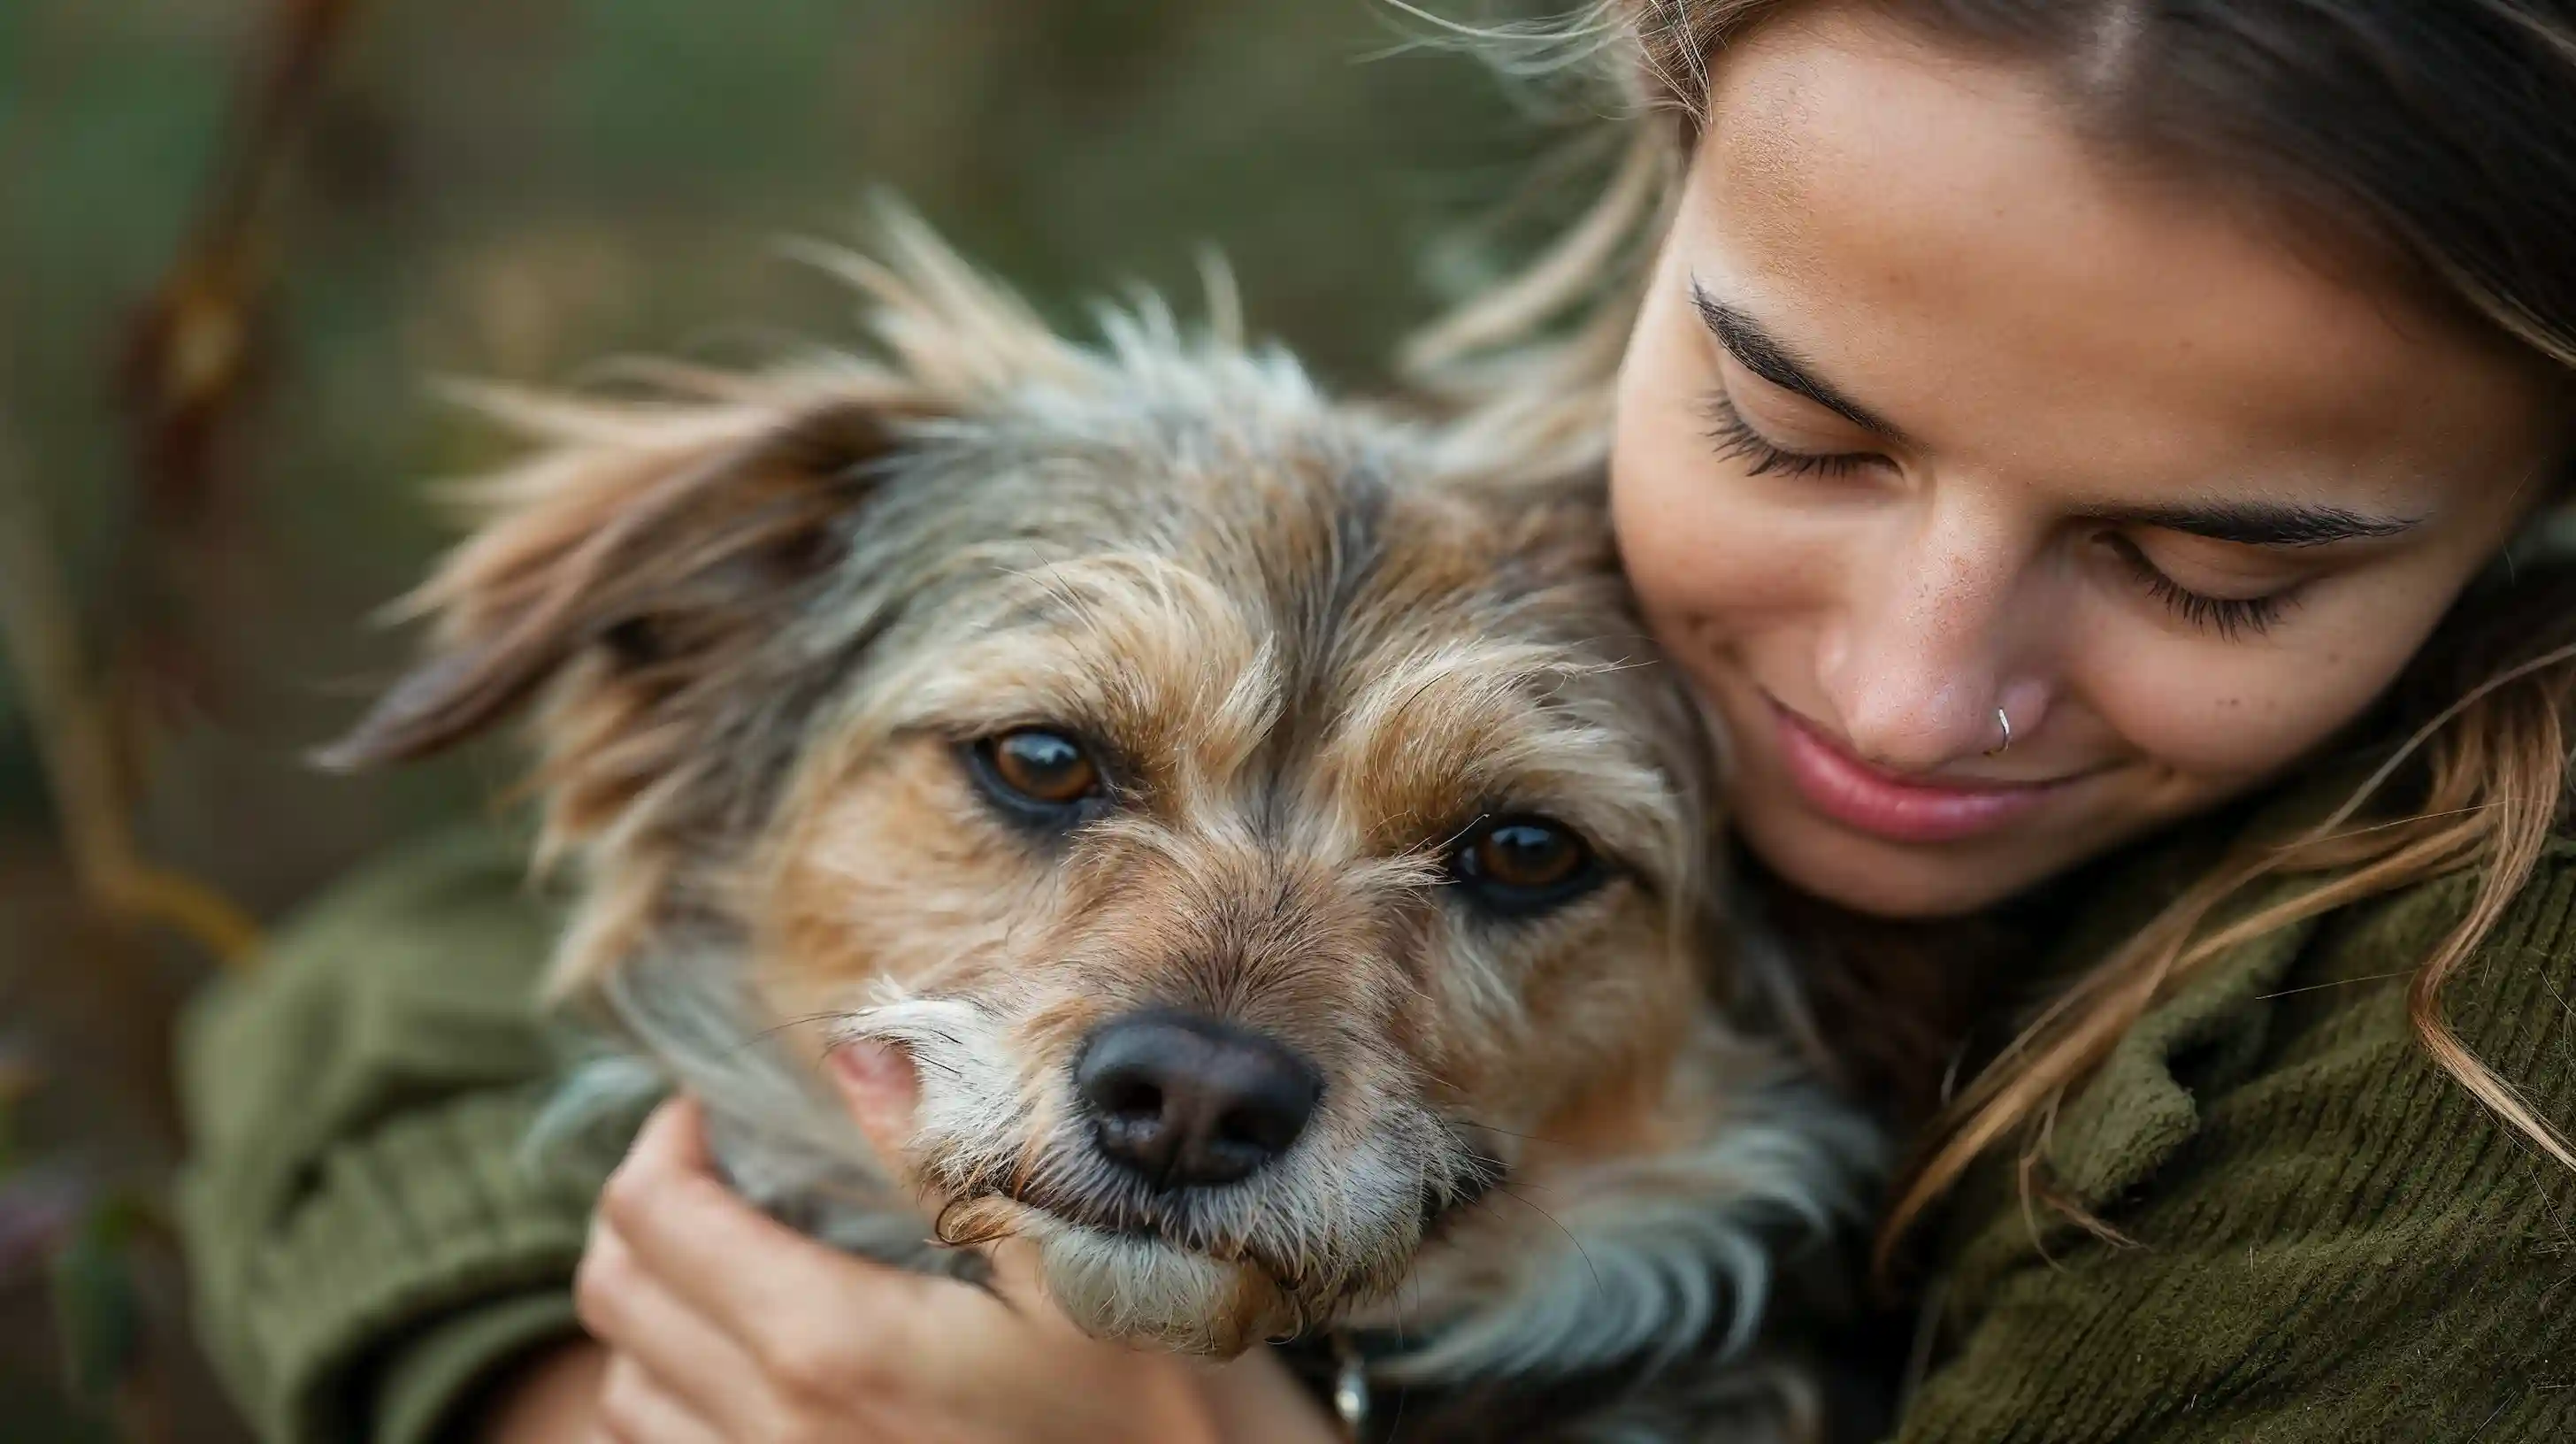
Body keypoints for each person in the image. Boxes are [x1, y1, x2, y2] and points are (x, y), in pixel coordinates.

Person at [178, 1, 2576, 1440]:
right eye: (1046, 770)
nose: (1900, 689)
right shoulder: (1527, 539)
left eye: (2214, 563)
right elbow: (380, 967)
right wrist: (576, 1379)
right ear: (1673, 221)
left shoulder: (2458, 1032)